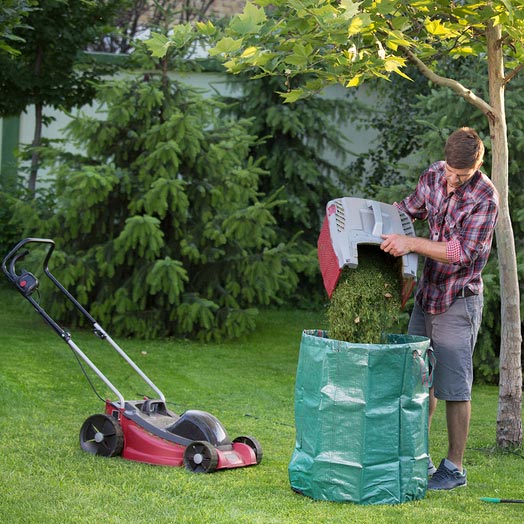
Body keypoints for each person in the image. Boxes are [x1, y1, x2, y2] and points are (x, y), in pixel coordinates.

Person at [380, 127, 499, 491]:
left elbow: (462, 252)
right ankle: (419, 457)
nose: (451, 180)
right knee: (418, 380)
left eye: (460, 175)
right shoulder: (434, 174)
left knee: (454, 387)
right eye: (449, 171)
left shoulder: (485, 197)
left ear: (478, 165)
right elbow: (406, 210)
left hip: (458, 299)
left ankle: (454, 468)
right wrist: (377, 230)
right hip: (427, 294)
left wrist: (411, 243)